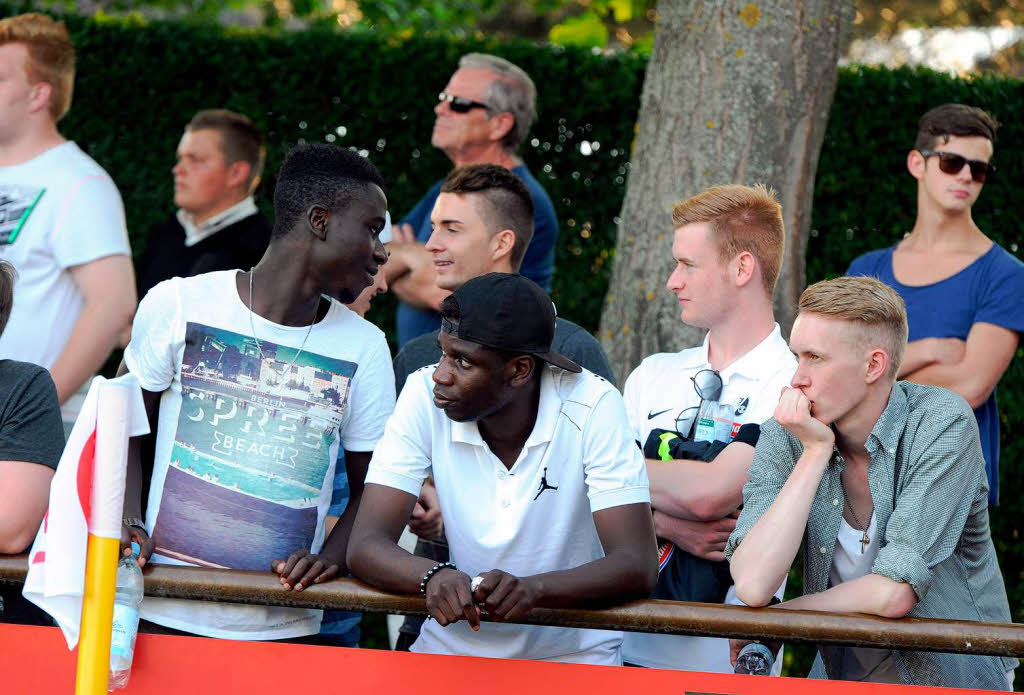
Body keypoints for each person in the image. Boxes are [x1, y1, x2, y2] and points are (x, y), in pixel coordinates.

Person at [119, 144, 395, 642]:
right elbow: (121, 428)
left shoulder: (367, 348)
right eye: (372, 229)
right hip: (159, 614)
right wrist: (127, 518)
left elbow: (376, 490)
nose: (382, 251)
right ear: (319, 220)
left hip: (287, 628)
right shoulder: (180, 302)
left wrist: (327, 560)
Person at [347, 273, 657, 664]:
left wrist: (534, 590)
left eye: (462, 361)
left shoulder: (593, 405)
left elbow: (637, 564)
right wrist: (432, 576)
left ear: (520, 370)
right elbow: (365, 545)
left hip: (577, 658)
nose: (441, 374)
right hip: (449, 649)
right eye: (443, 352)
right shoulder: (423, 393)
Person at [727, 276, 1016, 689]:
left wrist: (782, 620)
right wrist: (813, 454)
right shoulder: (788, 434)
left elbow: (894, 592)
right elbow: (754, 584)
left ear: (873, 365)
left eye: (816, 358)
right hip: (843, 671)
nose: (797, 379)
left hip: (953, 675)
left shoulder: (941, 422)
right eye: (797, 358)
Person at [390, 163, 614, 650]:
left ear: (501, 243)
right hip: (434, 605)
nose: (431, 245)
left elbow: (612, 501)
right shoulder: (415, 359)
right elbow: (395, 484)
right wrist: (422, 498)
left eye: (451, 228)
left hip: (557, 638)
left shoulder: (575, 355)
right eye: (432, 228)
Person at [619, 184, 796, 672]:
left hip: (725, 668)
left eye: (688, 265)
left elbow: (711, 496)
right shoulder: (651, 374)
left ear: (742, 268)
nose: (674, 281)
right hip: (619, 653)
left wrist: (621, 477)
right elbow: (583, 494)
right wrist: (668, 523)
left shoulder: (794, 383)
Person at [846, 104, 1024, 506]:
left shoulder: (1005, 275)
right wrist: (927, 351)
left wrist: (871, 378)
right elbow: (832, 372)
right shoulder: (866, 270)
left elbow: (970, 386)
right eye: (951, 161)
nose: (965, 176)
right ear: (917, 164)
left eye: (978, 170)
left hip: (948, 488)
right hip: (857, 483)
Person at [0, 13, 136, 428]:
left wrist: (28, 412)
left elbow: (113, 307)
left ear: (38, 96)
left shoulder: (81, 183)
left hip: (24, 437)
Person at [387, 53, 559, 348]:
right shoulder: (446, 189)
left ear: (499, 125)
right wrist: (408, 262)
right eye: (444, 97)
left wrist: (408, 258)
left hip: (472, 381)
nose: (440, 108)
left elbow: (458, 299)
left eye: (458, 103)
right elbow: (378, 263)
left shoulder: (522, 200)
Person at [318, 264, 390, 647]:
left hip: (333, 620)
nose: (383, 283)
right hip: (301, 606)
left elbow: (368, 501)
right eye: (375, 265)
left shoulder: (368, 351)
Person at [135, 109, 272, 299]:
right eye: (180, 159)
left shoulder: (265, 255)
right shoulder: (165, 234)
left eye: (195, 160)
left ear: (236, 174)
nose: (178, 170)